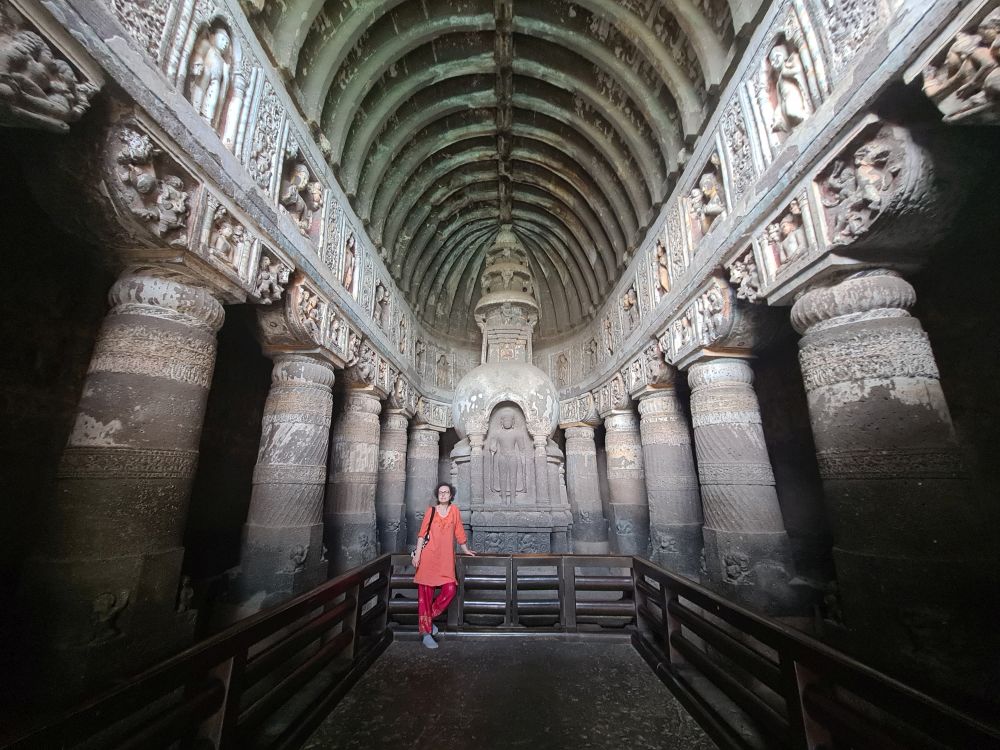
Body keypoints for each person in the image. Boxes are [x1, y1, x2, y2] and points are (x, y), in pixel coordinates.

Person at [412, 482, 475, 649]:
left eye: (446, 492)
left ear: (451, 495)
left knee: (450, 589)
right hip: (428, 559)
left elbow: (459, 531)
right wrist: (418, 554)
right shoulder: (431, 511)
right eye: (441, 492)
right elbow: (421, 534)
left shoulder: (454, 511)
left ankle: (426, 620)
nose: (443, 495)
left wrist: (465, 549)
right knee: (424, 597)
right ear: (437, 495)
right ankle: (426, 633)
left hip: (445, 561)